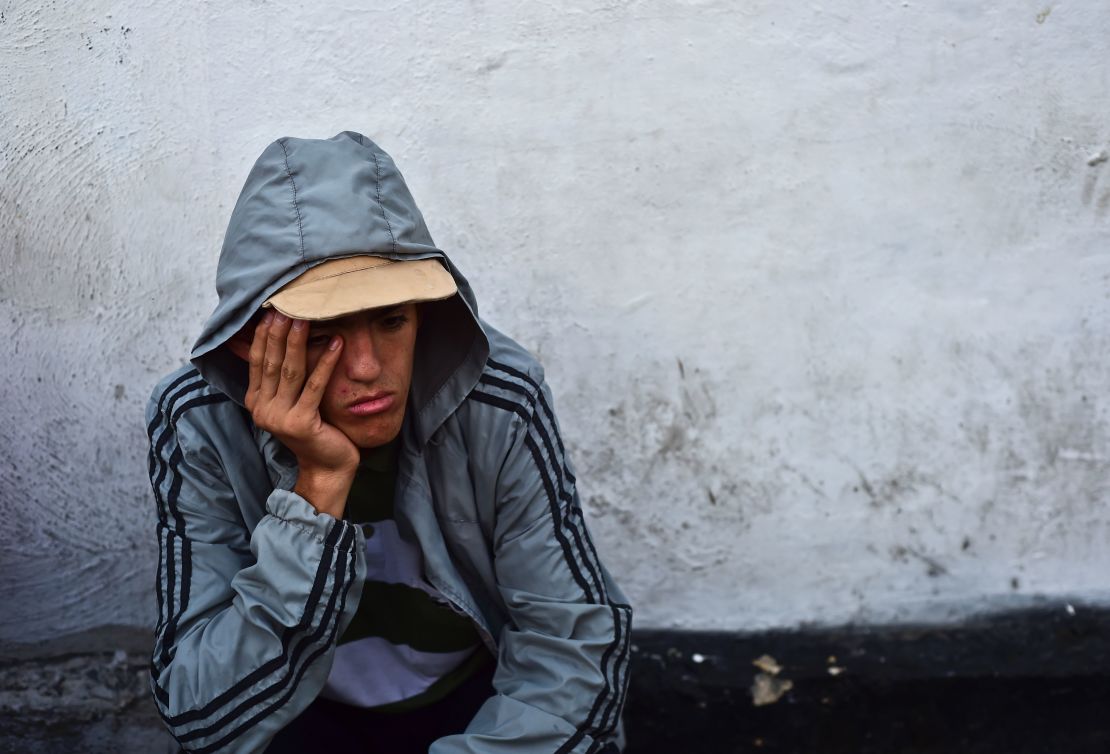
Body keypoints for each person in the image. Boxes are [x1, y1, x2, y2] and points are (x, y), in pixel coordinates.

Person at [146, 131, 632, 753]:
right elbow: (202, 710)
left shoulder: (499, 397)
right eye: (323, 332)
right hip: (292, 720)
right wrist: (317, 487)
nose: (369, 368)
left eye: (391, 319)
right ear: (251, 341)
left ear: (424, 316)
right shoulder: (198, 419)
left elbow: (572, 651)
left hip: (480, 703)